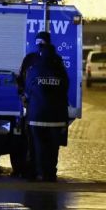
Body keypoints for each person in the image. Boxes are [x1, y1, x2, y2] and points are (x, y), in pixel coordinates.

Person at [24, 32, 69, 182]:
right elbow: (65, 87)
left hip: (36, 115)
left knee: (36, 146)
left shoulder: (33, 66)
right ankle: (49, 174)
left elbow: (27, 87)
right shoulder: (59, 66)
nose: (39, 45)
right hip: (56, 117)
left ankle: (36, 173)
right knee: (52, 148)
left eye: (41, 42)